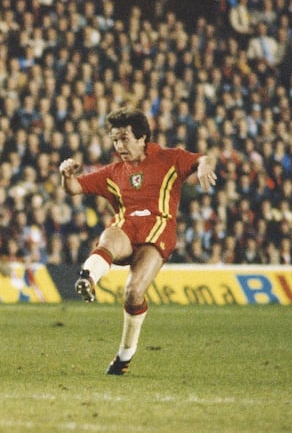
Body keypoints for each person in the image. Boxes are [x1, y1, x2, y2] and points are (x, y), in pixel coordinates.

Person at [58, 107, 217, 375]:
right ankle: (88, 277)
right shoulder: (112, 172)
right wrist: (66, 175)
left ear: (142, 137)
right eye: (115, 139)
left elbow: (204, 158)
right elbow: (74, 189)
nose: (119, 145)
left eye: (124, 138)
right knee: (109, 236)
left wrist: (203, 168)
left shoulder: (169, 158)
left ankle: (124, 355)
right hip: (127, 226)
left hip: (158, 229)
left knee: (133, 293)